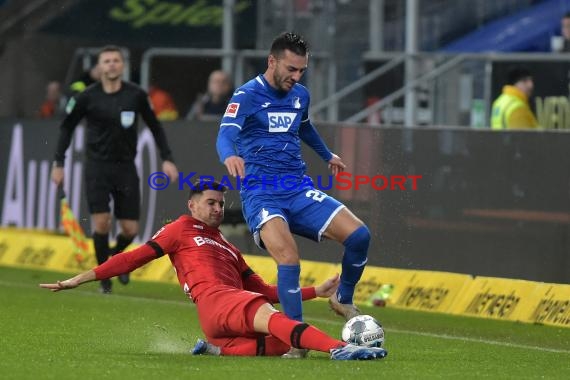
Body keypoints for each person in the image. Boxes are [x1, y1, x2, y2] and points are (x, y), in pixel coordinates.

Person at [39, 181, 388, 361]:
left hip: (221, 317)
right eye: (211, 203)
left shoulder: (228, 246)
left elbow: (266, 290)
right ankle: (340, 348)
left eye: (221, 204)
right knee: (276, 321)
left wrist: (317, 291)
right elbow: (133, 259)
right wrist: (83, 277)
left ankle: (218, 350)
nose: (218, 208)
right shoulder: (180, 229)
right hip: (217, 302)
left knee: (282, 343)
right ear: (192, 205)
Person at [216, 32, 371, 328]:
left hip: (297, 188)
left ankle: (343, 297)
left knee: (360, 236)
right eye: (291, 69)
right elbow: (225, 134)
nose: (297, 76)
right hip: (261, 193)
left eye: (302, 70)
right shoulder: (246, 95)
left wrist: (327, 155)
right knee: (288, 259)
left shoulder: (300, 95)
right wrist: (229, 156)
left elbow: (305, 126)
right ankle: (295, 339)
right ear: (272, 61)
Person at [51, 45, 179, 294]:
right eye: (106, 61)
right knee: (101, 224)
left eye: (115, 60)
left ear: (122, 65)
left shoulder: (136, 96)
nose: (111, 65)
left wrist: (167, 158)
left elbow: (155, 127)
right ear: (99, 67)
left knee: (130, 229)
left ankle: (113, 257)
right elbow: (66, 128)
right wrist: (59, 163)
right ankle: (104, 279)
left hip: (125, 168)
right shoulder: (87, 97)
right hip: (97, 167)